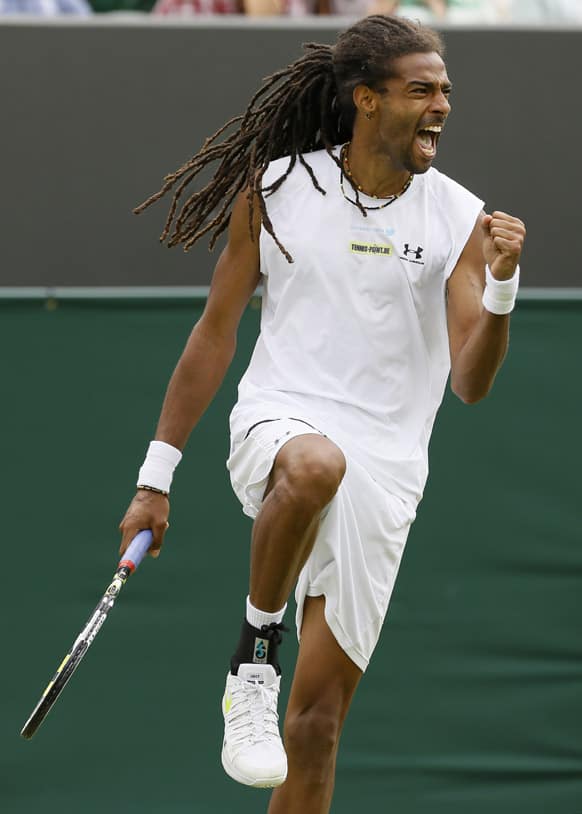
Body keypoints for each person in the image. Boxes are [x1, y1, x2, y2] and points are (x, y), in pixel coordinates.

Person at [119, 14, 525, 814]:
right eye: (421, 89)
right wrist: (155, 478)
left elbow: (471, 383)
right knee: (315, 464)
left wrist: (503, 287)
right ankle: (253, 661)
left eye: (446, 90)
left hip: (390, 469)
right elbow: (215, 334)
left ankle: (273, 688)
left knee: (314, 729)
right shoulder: (275, 189)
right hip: (283, 421)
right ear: (366, 100)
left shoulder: (457, 217)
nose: (442, 104)